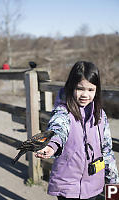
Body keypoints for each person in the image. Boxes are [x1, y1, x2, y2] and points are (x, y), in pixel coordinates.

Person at [35, 61, 119, 200]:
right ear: (71, 86)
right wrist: (51, 146)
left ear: (96, 90)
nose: (85, 94)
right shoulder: (63, 112)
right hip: (67, 186)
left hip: (93, 185)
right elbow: (58, 128)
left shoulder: (100, 115)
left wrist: (113, 189)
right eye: (80, 88)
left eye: (91, 90)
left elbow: (107, 151)